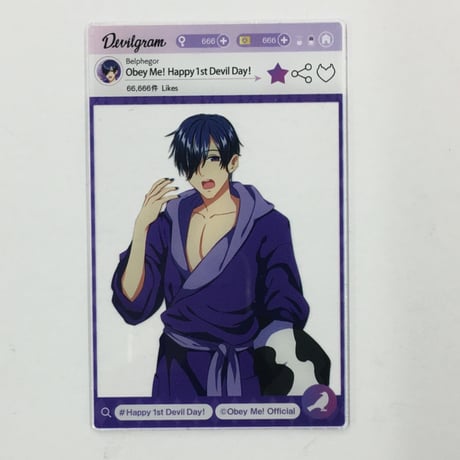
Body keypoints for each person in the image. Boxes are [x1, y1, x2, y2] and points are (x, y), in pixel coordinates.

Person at [111, 114, 329, 399]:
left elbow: (284, 306)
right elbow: (133, 305)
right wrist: (141, 228)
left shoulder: (268, 224)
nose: (202, 171)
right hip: (176, 371)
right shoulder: (168, 222)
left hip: (241, 372)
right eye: (193, 161)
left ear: (233, 161)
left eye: (213, 158)